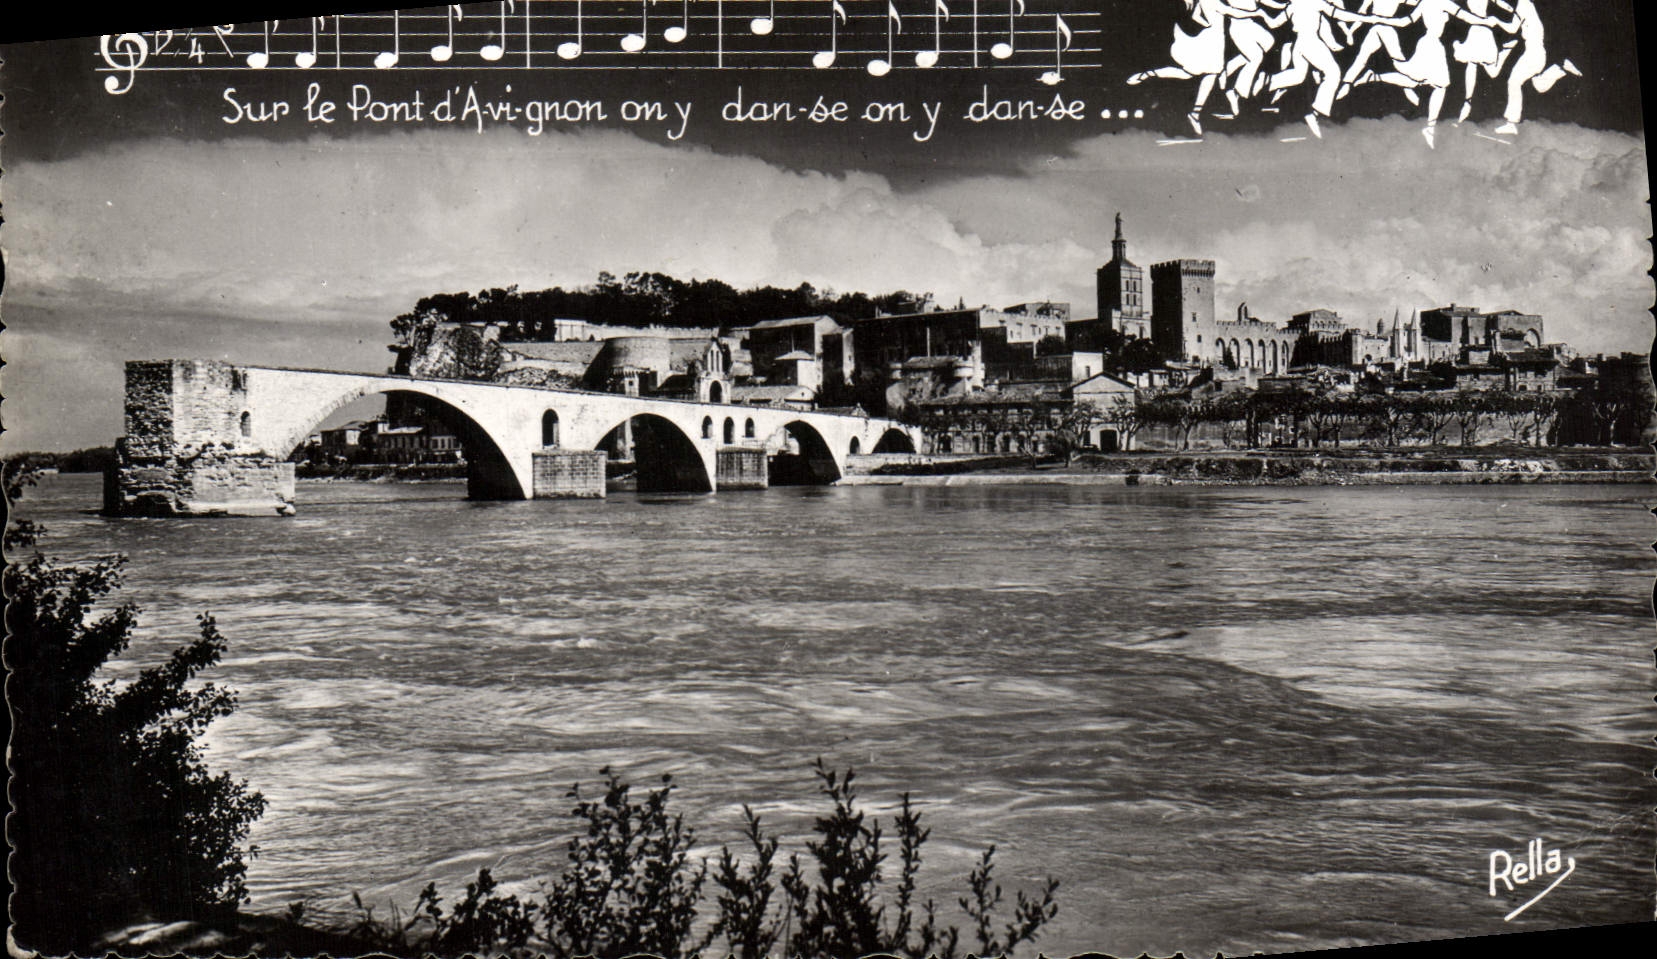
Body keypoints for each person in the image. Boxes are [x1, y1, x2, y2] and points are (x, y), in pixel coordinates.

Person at [1348, 0, 1506, 147]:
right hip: (1431, 46)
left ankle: (1374, 77)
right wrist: (1487, 21)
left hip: (1429, 44)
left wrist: (1382, 20)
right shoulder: (1443, 2)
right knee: (1435, 84)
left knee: (1417, 81)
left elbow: (1405, 21)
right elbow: (1466, 17)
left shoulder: (1427, 2)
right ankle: (1430, 127)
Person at [1129, 0, 1277, 135]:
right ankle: (1195, 111)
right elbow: (1232, 12)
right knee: (1199, 74)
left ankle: (1151, 76)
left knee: (1194, 74)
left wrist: (1206, 24)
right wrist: (1255, 13)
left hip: (1213, 40)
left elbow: (1196, 16)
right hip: (1212, 42)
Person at [1493, 0, 1579, 135]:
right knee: (1539, 86)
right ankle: (1560, 68)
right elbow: (1512, 20)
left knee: (1513, 82)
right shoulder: (1526, 7)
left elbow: (1512, 28)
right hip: (1537, 54)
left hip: (1533, 54)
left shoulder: (1523, 4)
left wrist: (1496, 19)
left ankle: (1511, 124)